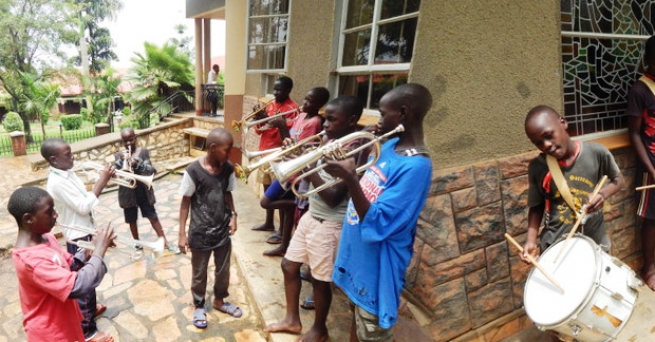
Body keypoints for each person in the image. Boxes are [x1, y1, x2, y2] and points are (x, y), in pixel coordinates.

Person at [322, 84, 433, 341]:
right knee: (356, 319)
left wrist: (350, 179)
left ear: (403, 114)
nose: (379, 120)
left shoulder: (417, 166)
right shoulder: (391, 144)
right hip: (358, 262)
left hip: (376, 271)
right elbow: (370, 186)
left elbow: (380, 222)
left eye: (383, 114)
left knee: (371, 332)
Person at [265, 95, 366, 342]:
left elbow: (333, 196)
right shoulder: (326, 140)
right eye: (325, 118)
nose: (325, 124)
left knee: (320, 280)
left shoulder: (355, 152)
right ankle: (292, 320)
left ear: (352, 121)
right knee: (289, 265)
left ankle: (320, 330)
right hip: (314, 215)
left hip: (331, 223)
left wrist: (307, 164)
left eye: (332, 120)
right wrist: (298, 155)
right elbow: (311, 177)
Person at [9, 187, 115, 342]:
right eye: (49, 211)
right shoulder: (31, 262)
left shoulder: (46, 237)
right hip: (51, 333)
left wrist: (90, 250)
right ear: (29, 219)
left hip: (65, 321)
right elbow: (78, 286)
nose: (55, 215)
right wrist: (99, 250)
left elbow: (69, 264)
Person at [520, 105, 624, 262]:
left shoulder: (596, 153)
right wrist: (531, 240)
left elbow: (619, 180)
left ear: (563, 123)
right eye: (538, 143)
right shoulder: (538, 167)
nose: (546, 145)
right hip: (557, 248)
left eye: (548, 135)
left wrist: (603, 194)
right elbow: (536, 206)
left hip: (595, 242)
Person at [42, 138, 116, 342]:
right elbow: (84, 206)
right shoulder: (56, 182)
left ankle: (90, 311)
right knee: (84, 283)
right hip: (77, 236)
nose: (73, 156)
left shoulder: (67, 173)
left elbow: (84, 198)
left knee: (90, 280)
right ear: (54, 159)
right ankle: (88, 331)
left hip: (85, 229)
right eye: (68, 154)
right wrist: (103, 180)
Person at [178, 128, 241, 329]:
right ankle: (198, 304)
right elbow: (185, 203)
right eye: (226, 150)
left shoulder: (228, 168)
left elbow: (228, 194)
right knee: (199, 272)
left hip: (222, 231)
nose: (229, 154)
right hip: (199, 234)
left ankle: (220, 300)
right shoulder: (193, 171)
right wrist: (182, 234)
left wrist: (233, 215)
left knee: (223, 271)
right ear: (213, 148)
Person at [261, 86, 330, 257]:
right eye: (304, 98)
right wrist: (269, 120)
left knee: (270, 203)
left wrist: (282, 128)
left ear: (319, 104)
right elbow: (290, 138)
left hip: (298, 174)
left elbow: (300, 149)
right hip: (286, 169)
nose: (304, 103)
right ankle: (291, 214)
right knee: (269, 203)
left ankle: (284, 244)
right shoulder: (301, 116)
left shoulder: (316, 123)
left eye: (309, 101)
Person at [113, 127, 179, 255]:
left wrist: (136, 164)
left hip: (143, 192)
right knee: (131, 220)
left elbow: (151, 170)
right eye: (125, 141)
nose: (128, 144)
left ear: (135, 138)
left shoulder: (143, 152)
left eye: (131, 140)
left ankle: (165, 242)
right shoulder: (118, 156)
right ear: (122, 141)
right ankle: (137, 244)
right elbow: (117, 174)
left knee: (153, 217)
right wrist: (121, 162)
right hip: (127, 194)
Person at [251, 76, 299, 234]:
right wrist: (259, 119)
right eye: (274, 89)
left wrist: (280, 123)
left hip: (279, 156)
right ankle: (268, 222)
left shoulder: (292, 109)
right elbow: (260, 131)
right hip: (264, 153)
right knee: (266, 189)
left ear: (288, 90)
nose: (275, 93)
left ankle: (281, 231)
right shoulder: (271, 105)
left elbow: (289, 137)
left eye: (279, 90)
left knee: (278, 195)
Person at [627, 35, 655, 291]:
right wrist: (651, 170)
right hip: (651, 166)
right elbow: (634, 133)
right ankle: (649, 268)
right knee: (651, 218)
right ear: (647, 60)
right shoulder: (640, 90)